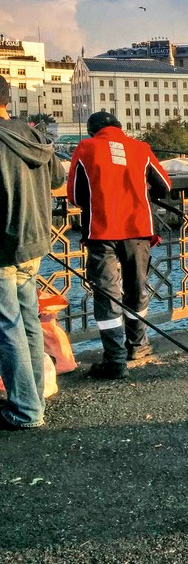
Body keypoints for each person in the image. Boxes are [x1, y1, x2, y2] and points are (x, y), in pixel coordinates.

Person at [67, 112, 172, 376]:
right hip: (138, 230)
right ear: (119, 128)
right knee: (137, 289)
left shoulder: (85, 148)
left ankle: (115, 360)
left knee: (107, 294)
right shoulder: (141, 148)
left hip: (101, 232)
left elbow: (75, 195)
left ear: (93, 131)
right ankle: (138, 345)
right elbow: (164, 186)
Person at [0, 76, 65, 430]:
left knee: (7, 326)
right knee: (27, 321)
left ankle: (25, 409)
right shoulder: (35, 135)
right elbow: (56, 179)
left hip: (3, 246)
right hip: (35, 241)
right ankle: (34, 397)